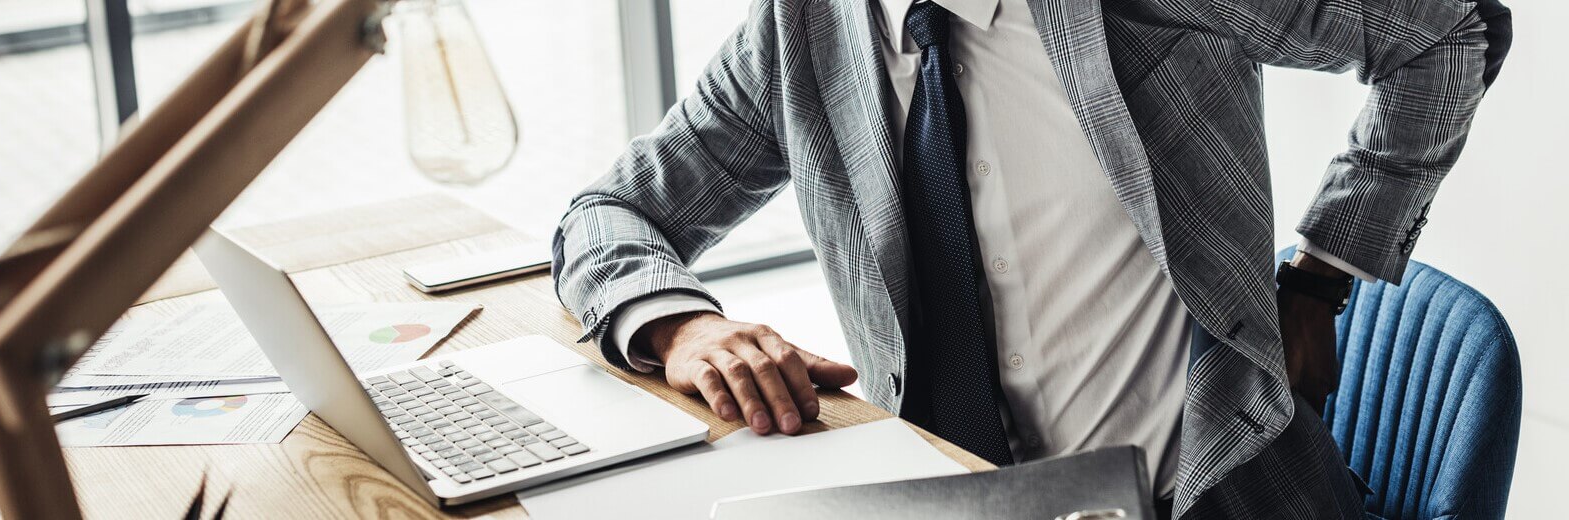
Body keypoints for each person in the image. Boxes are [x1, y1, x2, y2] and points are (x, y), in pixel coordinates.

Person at [551, 0, 1510, 516]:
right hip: (954, 502)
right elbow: (612, 213)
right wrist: (680, 324)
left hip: (1208, 499)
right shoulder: (799, 28)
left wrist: (1321, 274)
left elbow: (1447, 31)